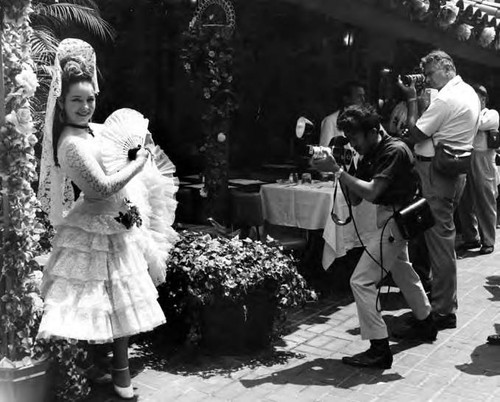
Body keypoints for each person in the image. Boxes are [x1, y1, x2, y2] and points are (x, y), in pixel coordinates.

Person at [36, 39, 165, 400]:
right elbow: (102, 187)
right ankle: (112, 370)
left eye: (90, 99)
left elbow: (113, 156)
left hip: (116, 221)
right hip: (92, 224)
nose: (85, 106)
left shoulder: (92, 131)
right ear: (62, 104)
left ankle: (103, 366)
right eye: (76, 100)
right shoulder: (70, 143)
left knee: (119, 298)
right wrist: (137, 165)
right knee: (96, 300)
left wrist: (136, 149)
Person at [312, 104, 436, 369]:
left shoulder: (394, 150)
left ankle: (379, 349)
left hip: (396, 220)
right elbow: (356, 199)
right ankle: (426, 322)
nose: (354, 144)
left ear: (372, 131)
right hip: (391, 219)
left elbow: (372, 192)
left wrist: (338, 171)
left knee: (361, 282)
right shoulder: (370, 152)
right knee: (402, 271)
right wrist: (344, 166)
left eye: (355, 138)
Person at [397, 50, 481, 330]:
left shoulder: (445, 98)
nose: (427, 80)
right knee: (441, 239)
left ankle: (443, 311)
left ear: (448, 68)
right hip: (454, 172)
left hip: (436, 173)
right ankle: (439, 301)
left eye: (431, 74)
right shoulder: (468, 92)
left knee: (441, 243)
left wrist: (411, 99)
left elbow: (413, 134)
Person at [457, 84, 498, 255]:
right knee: (464, 200)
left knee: (484, 200)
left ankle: (488, 240)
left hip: (483, 159)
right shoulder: (469, 113)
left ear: (483, 98)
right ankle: (470, 237)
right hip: (466, 155)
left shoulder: (492, 113)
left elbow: (479, 124)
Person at [319, 81, 366, 147]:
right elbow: (324, 152)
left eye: (363, 96)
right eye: (359, 96)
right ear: (346, 99)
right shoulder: (330, 121)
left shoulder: (367, 119)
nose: (363, 100)